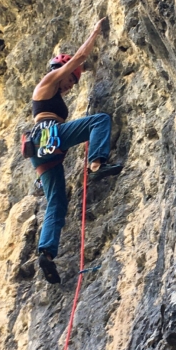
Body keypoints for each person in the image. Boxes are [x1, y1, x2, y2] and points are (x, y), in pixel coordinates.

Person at [30, 17, 123, 284]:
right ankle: (97, 165)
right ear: (60, 69)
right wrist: (95, 32)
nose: (71, 85)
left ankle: (46, 253)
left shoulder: (51, 96)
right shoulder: (49, 80)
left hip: (42, 151)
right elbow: (80, 56)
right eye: (70, 79)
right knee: (99, 120)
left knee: (57, 202)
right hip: (49, 136)